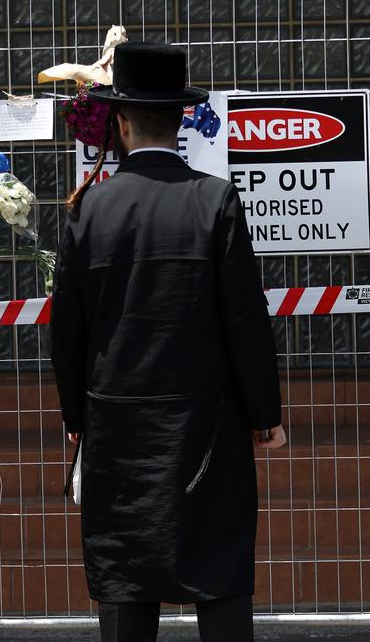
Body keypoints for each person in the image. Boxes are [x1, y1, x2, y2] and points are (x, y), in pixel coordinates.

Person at [51, 41, 287, 642]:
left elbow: (68, 329)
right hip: (206, 422)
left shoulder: (89, 209)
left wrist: (74, 417)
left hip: (116, 425)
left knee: (126, 577)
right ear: (182, 120)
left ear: (121, 123)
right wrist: (266, 414)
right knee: (220, 569)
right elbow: (245, 317)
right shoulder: (215, 200)